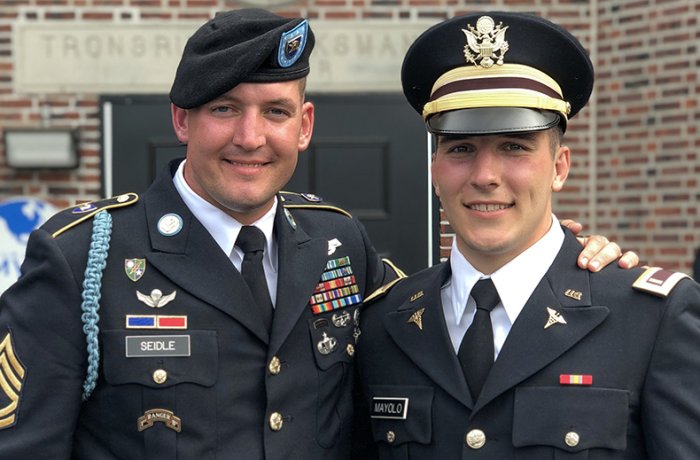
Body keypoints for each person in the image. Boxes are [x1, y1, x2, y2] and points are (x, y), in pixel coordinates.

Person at [0, 9, 632, 459]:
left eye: (275, 111)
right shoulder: (84, 256)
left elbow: (450, 308)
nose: (251, 137)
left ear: (303, 126)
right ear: (181, 119)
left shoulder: (337, 244)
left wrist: (562, 257)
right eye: (224, 109)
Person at [355, 11, 700, 459]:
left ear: (559, 167)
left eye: (514, 146)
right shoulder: (385, 324)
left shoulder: (651, 320)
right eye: (460, 149)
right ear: (434, 170)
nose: (485, 176)